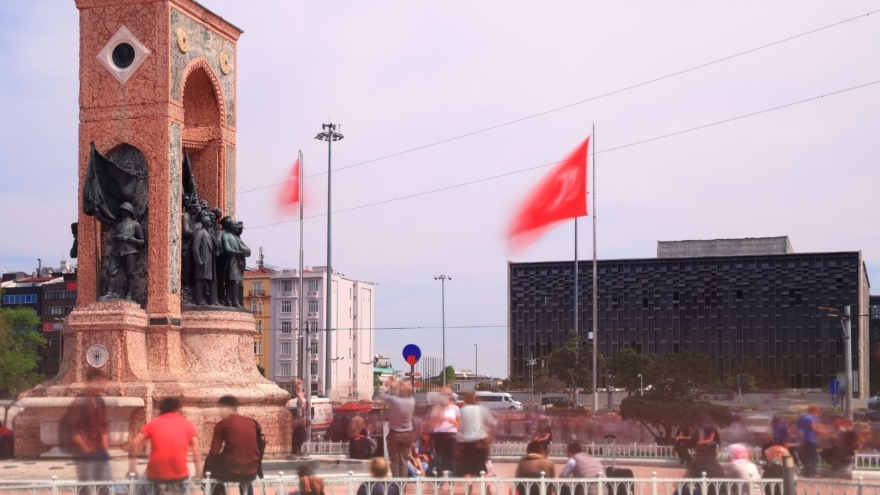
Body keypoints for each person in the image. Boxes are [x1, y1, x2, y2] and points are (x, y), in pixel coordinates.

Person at [128, 397, 203, 484]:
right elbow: (196, 449)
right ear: (177, 409)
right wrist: (198, 473)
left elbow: (135, 443)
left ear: (162, 409)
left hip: (156, 474)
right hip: (179, 475)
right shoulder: (187, 424)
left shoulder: (154, 423)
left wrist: (132, 469)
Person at [206, 396, 262, 495]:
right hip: (252, 471)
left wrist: (207, 467)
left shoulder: (222, 424)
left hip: (231, 471)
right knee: (245, 480)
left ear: (226, 407)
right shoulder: (252, 422)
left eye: (220, 409)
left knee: (212, 472)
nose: (219, 412)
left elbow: (214, 452)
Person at [104, 201, 145, 299]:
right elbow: (104, 219)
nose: (122, 211)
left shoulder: (135, 224)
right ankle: (110, 292)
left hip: (130, 250)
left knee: (130, 273)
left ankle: (129, 294)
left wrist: (132, 240)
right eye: (121, 209)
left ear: (129, 211)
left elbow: (142, 241)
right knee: (110, 271)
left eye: (124, 209)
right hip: (116, 250)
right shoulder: (118, 223)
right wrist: (96, 211)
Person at [68, 391, 110, 483]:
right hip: (87, 450)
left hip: (100, 450)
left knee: (104, 484)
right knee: (86, 484)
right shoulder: (81, 401)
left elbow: (103, 426)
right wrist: (86, 449)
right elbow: (73, 429)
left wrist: (105, 450)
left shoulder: (100, 402)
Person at [379, 376, 416, 478]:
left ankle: (396, 486)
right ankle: (402, 486)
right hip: (408, 434)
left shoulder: (395, 400)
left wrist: (386, 385)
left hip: (395, 434)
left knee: (394, 462)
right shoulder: (412, 401)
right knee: (404, 460)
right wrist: (398, 383)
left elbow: (381, 394)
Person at [458, 391, 495, 478]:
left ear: (466, 399)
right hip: (481, 440)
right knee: (482, 465)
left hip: (467, 441)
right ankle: (486, 486)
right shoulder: (481, 409)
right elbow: (491, 421)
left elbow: (460, 427)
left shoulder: (462, 410)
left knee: (467, 467)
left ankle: (468, 488)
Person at [431, 389, 461, 476]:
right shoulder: (436, 408)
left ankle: (453, 481)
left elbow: (458, 424)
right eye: (443, 395)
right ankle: (440, 480)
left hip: (451, 435)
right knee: (439, 459)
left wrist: (453, 422)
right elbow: (432, 424)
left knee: (452, 458)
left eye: (447, 395)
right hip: (439, 434)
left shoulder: (455, 408)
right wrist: (439, 420)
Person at [192, 214, 218, 306]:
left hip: (211, 262)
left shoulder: (210, 234)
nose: (211, 223)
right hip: (203, 262)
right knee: (201, 281)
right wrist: (198, 260)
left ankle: (213, 301)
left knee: (213, 281)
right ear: (205, 223)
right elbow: (195, 248)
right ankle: (198, 301)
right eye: (209, 221)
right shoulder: (200, 232)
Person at [797, 406, 821, 477]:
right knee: (814, 456)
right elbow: (814, 428)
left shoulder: (803, 417)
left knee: (807, 456)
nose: (816, 414)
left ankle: (807, 472)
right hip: (811, 439)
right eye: (816, 412)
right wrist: (819, 432)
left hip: (804, 439)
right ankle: (814, 473)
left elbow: (798, 428)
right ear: (812, 411)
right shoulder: (810, 418)